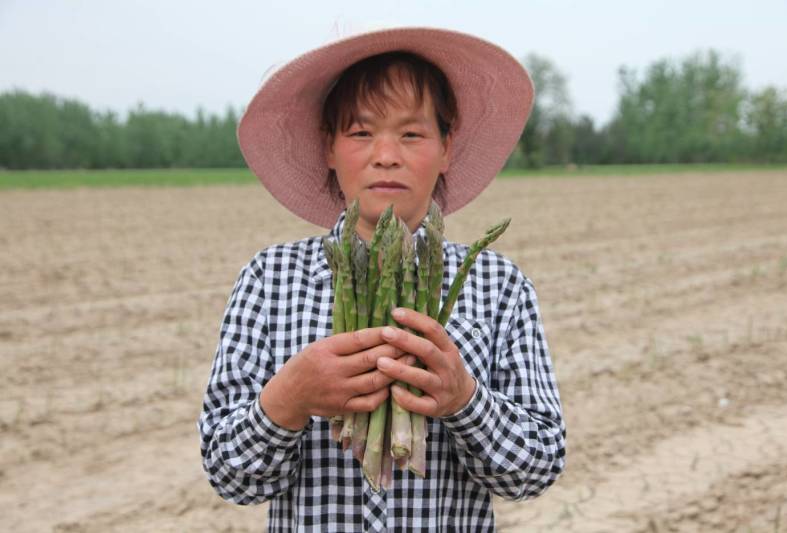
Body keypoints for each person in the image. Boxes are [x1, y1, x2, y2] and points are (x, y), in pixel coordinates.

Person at [198, 27, 566, 532]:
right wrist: (290, 397)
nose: (386, 155)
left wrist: (465, 399)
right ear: (328, 147)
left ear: (447, 148)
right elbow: (230, 477)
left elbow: (538, 468)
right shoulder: (268, 280)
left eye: (412, 134)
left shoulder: (499, 286)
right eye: (361, 132)